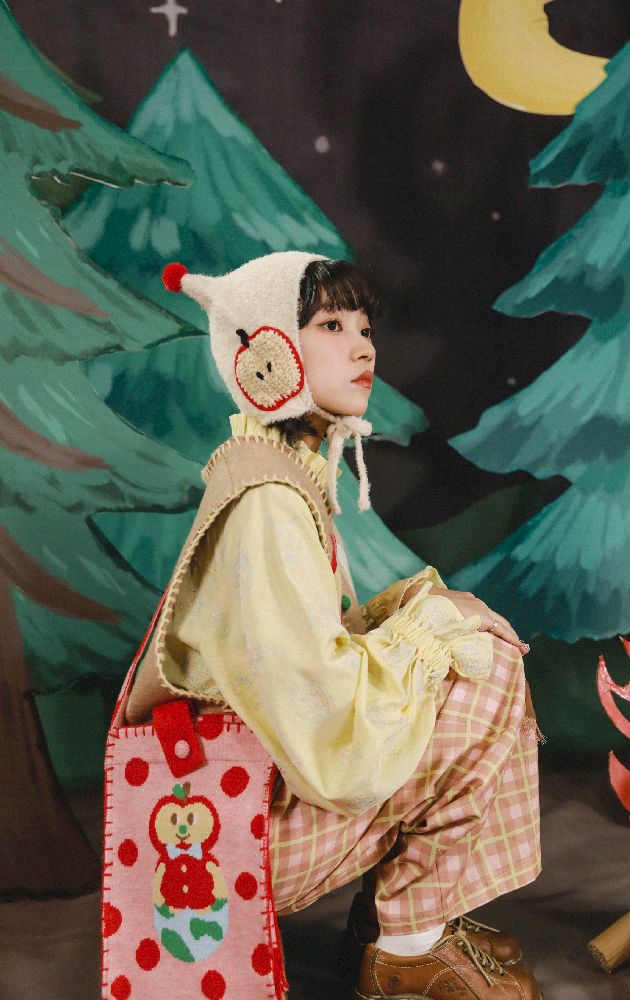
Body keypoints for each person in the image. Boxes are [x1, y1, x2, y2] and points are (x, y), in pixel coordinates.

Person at [127, 251, 542, 1000]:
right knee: (486, 666)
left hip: (246, 804)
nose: (363, 349)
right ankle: (408, 946)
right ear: (267, 351)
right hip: (235, 832)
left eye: (365, 328)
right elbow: (327, 720)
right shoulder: (267, 502)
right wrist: (435, 625)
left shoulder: (279, 468)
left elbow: (310, 656)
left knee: (460, 646)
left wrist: (421, 617)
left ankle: (400, 920)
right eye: (329, 325)